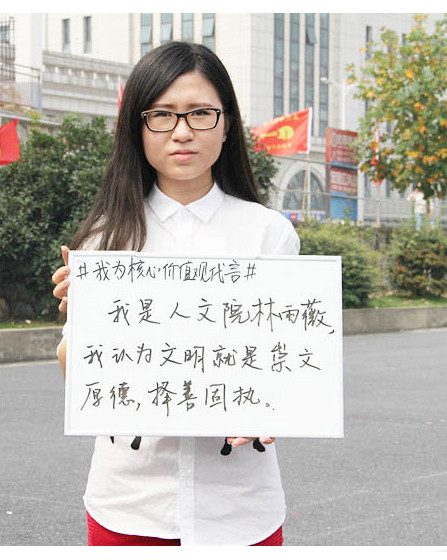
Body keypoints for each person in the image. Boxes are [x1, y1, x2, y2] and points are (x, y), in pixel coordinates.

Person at [50, 41, 299, 546]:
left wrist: (273, 406)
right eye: (161, 115)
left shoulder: (268, 233)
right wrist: (87, 316)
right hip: (129, 504)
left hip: (240, 506)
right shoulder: (104, 238)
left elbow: (286, 364)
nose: (182, 131)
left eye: (200, 113)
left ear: (226, 126)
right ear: (137, 129)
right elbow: (78, 374)